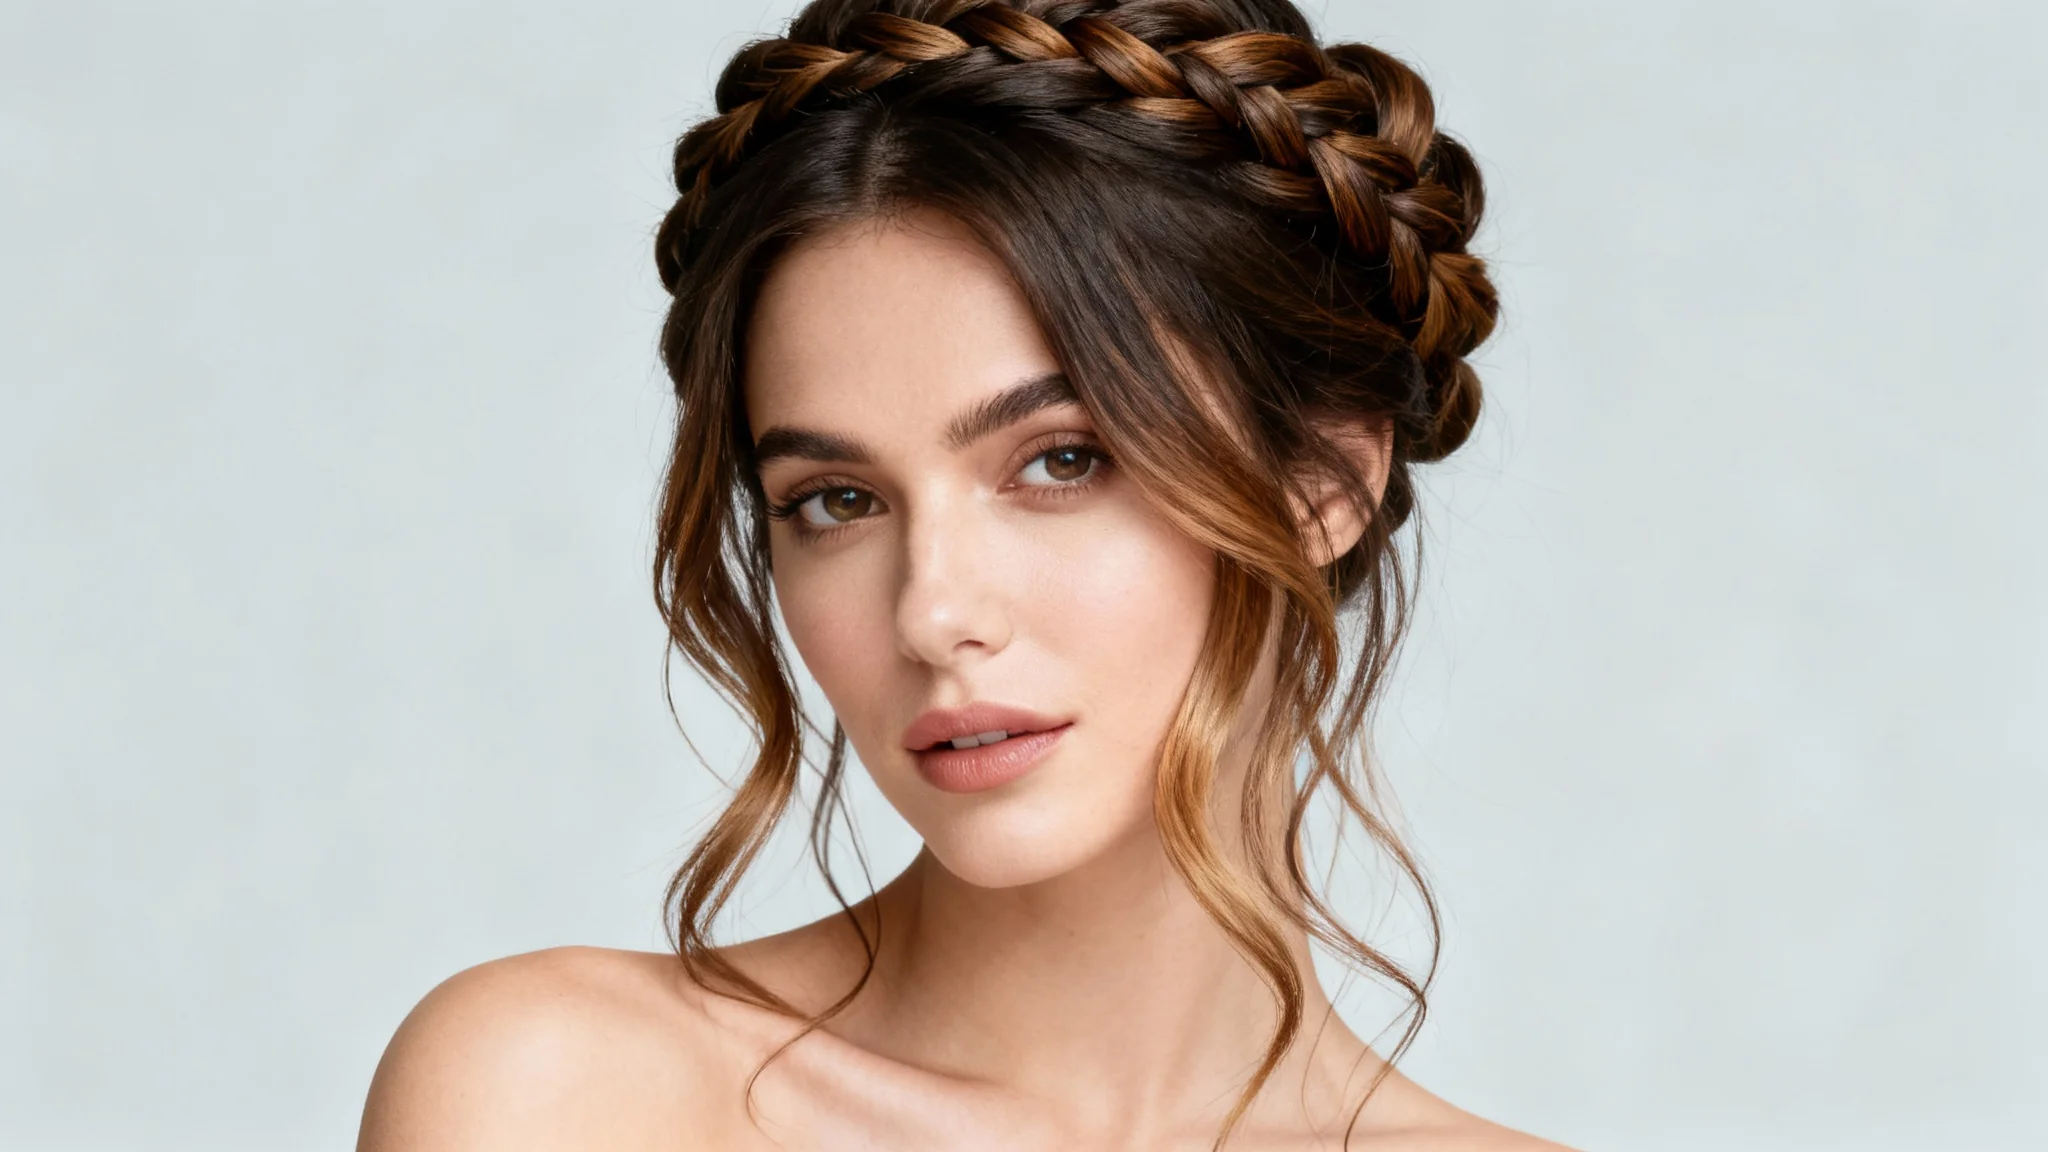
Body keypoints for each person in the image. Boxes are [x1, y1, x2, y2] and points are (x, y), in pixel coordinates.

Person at [358, 1, 1576, 1148]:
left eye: (1060, 460)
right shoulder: (566, 1097)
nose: (931, 613)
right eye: (835, 502)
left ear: (1320, 484)